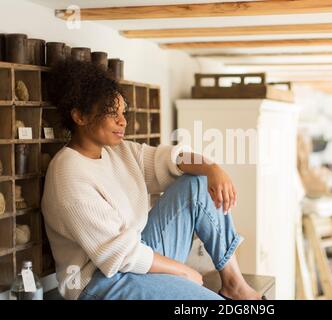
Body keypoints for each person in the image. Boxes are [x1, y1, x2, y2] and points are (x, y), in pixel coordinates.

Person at [41, 60, 263, 300]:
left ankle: (234, 284)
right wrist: (184, 271)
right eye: (111, 113)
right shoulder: (69, 174)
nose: (122, 121)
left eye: (122, 112)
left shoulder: (118, 151)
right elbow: (118, 255)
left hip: (137, 256)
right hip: (99, 282)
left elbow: (168, 159)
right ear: (80, 117)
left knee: (197, 182)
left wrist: (212, 168)